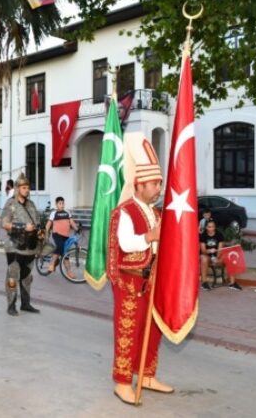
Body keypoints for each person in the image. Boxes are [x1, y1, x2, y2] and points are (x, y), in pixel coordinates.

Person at [107, 134, 172, 405]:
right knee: (128, 331)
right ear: (139, 184)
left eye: (159, 182)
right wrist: (150, 236)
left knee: (152, 330)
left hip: (153, 281)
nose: (158, 187)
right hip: (130, 282)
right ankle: (122, 382)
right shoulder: (125, 211)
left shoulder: (156, 213)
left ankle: (146, 375)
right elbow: (124, 243)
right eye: (154, 183)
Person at [2, 174, 40, 315]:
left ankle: (26, 303)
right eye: (24, 188)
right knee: (13, 276)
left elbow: (36, 221)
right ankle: (11, 305)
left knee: (27, 277)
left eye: (28, 188)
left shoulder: (31, 205)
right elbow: (4, 224)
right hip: (14, 246)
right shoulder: (10, 204)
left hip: (29, 247)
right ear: (17, 189)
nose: (27, 190)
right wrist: (23, 227)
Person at [199, 219, 242, 291]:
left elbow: (220, 249)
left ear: (215, 227)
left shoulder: (219, 235)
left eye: (213, 227)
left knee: (230, 256)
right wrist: (209, 250)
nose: (211, 229)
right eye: (209, 227)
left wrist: (217, 258)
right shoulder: (203, 236)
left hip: (217, 257)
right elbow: (203, 251)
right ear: (206, 227)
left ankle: (232, 283)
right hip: (207, 257)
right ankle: (204, 283)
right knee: (203, 258)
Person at [45, 196, 80, 274]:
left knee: (66, 254)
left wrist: (77, 229)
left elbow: (72, 222)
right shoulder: (54, 213)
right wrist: (46, 233)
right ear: (56, 204)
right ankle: (51, 264)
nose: (62, 205)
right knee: (60, 246)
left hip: (66, 236)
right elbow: (48, 224)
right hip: (57, 234)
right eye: (60, 203)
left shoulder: (67, 212)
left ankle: (69, 272)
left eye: (63, 203)